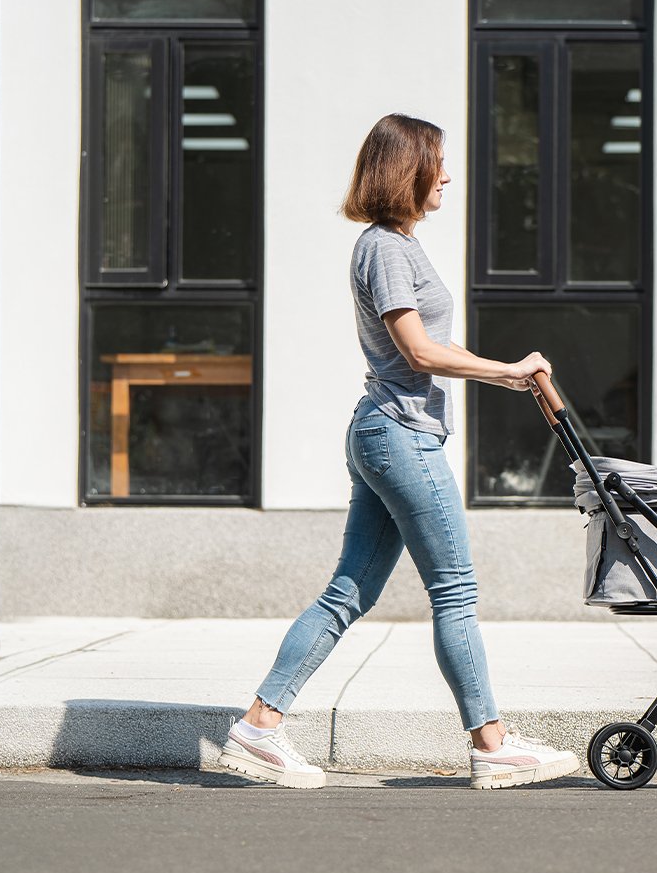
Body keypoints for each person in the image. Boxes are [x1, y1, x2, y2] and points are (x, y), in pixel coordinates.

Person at [219, 113, 578, 790]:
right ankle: (492, 744)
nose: (448, 177)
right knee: (455, 590)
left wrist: (503, 374)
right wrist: (507, 369)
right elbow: (417, 351)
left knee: (347, 593)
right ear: (406, 170)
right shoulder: (385, 248)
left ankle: (259, 726)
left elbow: (434, 346)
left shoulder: (397, 246)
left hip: (387, 432)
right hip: (400, 434)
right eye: (437, 163)